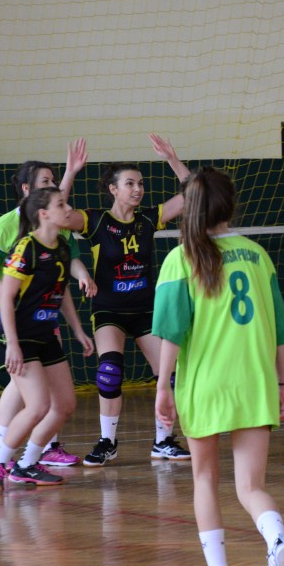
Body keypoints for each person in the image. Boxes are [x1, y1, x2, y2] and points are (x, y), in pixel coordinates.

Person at [152, 167, 284, 566]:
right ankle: (277, 541)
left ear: (191, 208)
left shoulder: (181, 259)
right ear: (231, 206)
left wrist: (162, 387)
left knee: (205, 478)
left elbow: (171, 334)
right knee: (251, 486)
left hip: (206, 384)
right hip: (255, 380)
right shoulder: (258, 255)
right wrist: (281, 383)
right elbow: (281, 332)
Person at [61, 134, 192, 466]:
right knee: (109, 371)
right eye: (130, 183)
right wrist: (70, 172)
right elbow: (57, 214)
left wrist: (172, 159)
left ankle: (164, 441)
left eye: (141, 183)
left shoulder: (149, 218)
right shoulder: (95, 221)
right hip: (109, 310)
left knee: (172, 374)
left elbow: (195, 193)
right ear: (113, 189)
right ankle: (108, 441)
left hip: (146, 310)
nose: (138, 189)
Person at [0, 141, 96, 468]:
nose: (55, 187)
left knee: (52, 390)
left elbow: (63, 273)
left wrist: (81, 282)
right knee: (24, 384)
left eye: (55, 181)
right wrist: (15, 302)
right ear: (28, 190)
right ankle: (1, 452)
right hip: (7, 310)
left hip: (42, 312)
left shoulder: (55, 233)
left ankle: (43, 449)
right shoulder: (4, 229)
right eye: (47, 182)